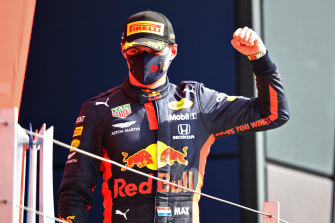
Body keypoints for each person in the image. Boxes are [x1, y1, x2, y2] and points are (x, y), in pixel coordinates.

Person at [58, 10, 289, 223]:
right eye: (136, 51)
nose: (144, 57)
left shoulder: (197, 101)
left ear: (173, 51)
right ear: (123, 50)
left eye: (153, 50)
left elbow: (272, 114)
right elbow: (74, 192)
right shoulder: (99, 109)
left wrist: (259, 58)